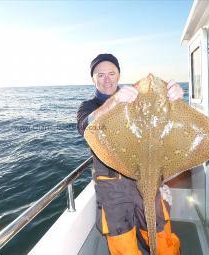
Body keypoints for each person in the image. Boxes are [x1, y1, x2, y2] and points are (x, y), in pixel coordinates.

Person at [77, 53, 182, 255]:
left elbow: (165, 123)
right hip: (112, 189)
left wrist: (175, 99)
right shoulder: (88, 107)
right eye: (100, 75)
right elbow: (86, 127)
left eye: (111, 73)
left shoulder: (137, 100)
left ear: (118, 75)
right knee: (124, 246)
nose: (107, 79)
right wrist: (115, 100)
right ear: (93, 79)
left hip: (146, 181)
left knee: (162, 238)